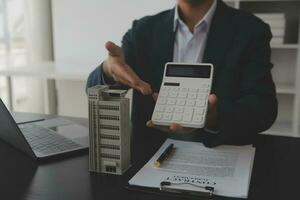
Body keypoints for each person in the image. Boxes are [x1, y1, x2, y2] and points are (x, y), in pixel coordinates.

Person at [86, 0, 278, 164]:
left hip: (219, 159)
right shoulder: (142, 30)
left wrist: (214, 117)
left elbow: (263, 109)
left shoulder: (251, 30)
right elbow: (94, 89)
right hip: (149, 159)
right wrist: (108, 71)